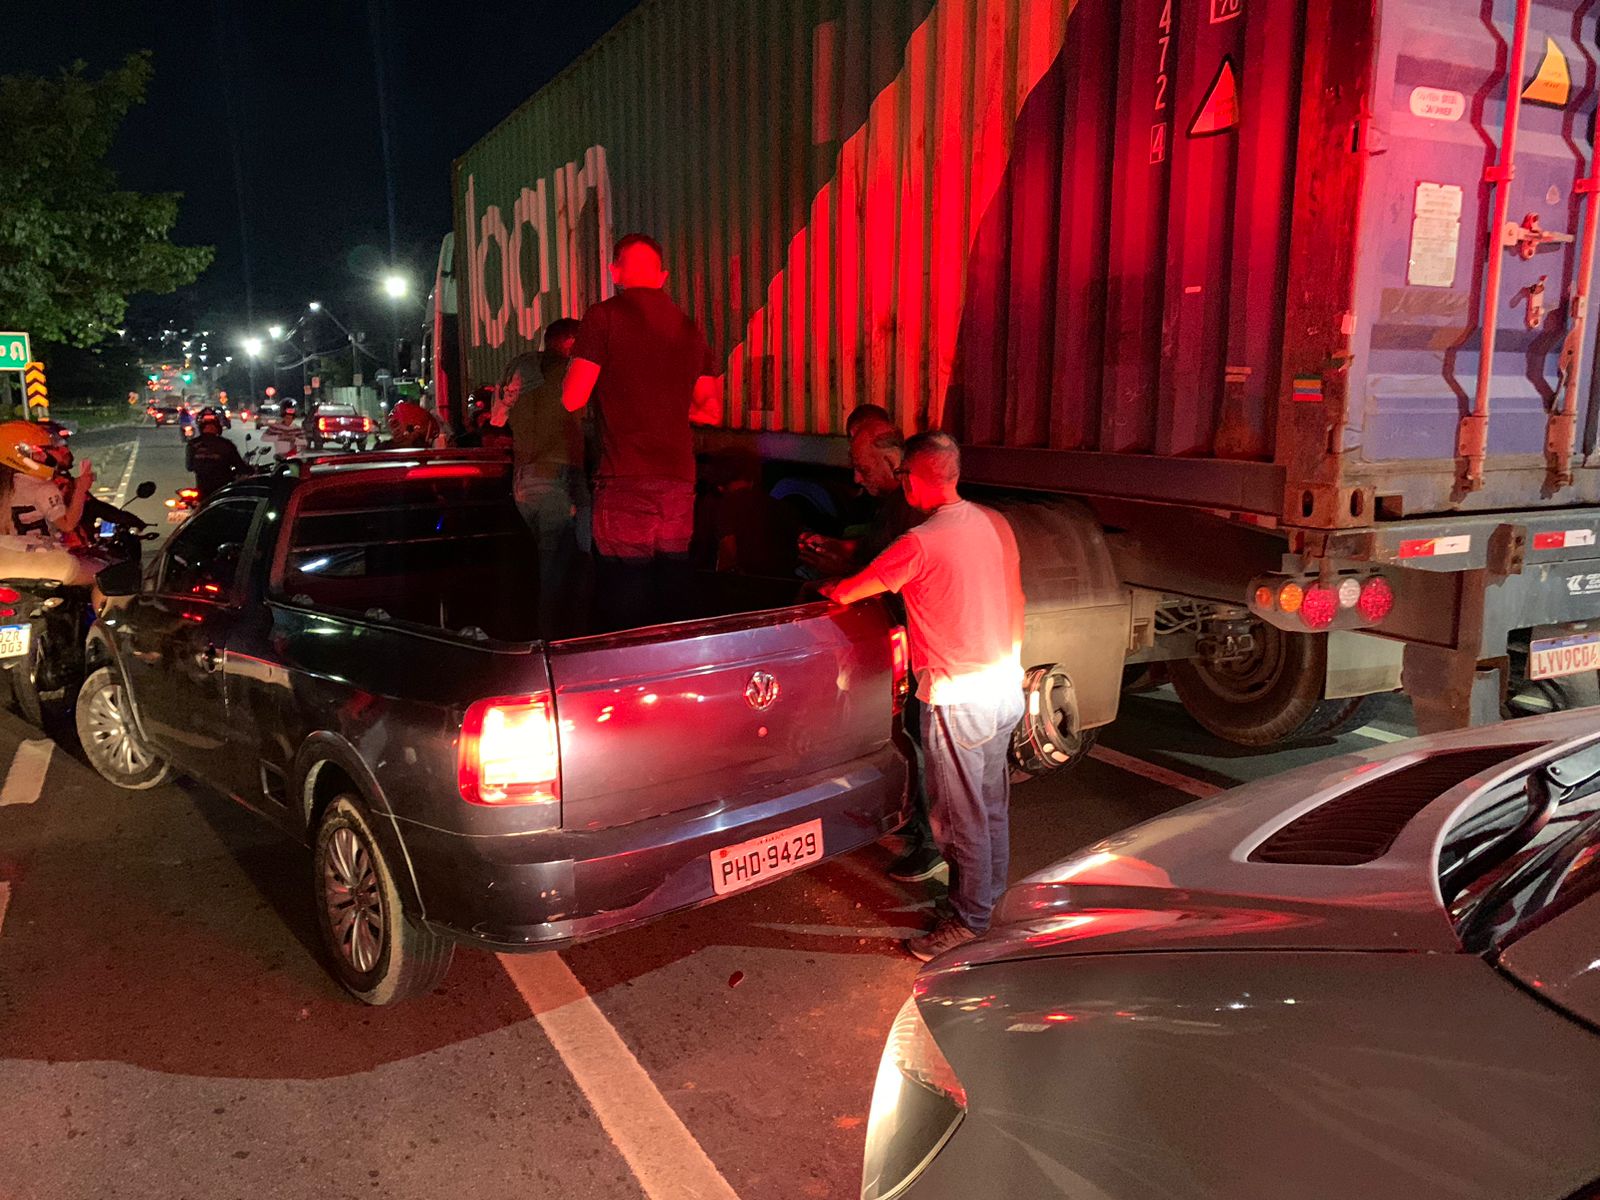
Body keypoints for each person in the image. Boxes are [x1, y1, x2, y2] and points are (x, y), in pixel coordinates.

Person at [819, 433, 1026, 961]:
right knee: (991, 808)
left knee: (961, 820)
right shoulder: (991, 523)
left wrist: (827, 587)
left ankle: (970, 920)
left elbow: (851, 590)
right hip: (1002, 687)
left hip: (958, 698)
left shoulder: (922, 542)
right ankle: (988, 903)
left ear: (916, 476)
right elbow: (1017, 596)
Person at [561, 233, 723, 630]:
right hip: (678, 484)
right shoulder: (690, 329)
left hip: (625, 481)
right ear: (663, 275)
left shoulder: (604, 317)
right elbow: (711, 410)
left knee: (625, 599)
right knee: (673, 592)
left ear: (615, 271)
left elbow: (572, 398)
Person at [502, 318, 586, 636]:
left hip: (524, 479)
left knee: (544, 565)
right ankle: (556, 643)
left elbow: (503, 415)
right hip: (556, 478)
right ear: (570, 343)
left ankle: (540, 634)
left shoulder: (523, 369)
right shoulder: (568, 374)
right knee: (562, 569)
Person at [0, 421, 94, 543]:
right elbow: (67, 525)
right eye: (40, 454)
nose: (50, 457)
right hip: (44, 556)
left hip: (12, 555)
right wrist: (81, 489)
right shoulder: (43, 488)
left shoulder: (9, 487)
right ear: (20, 455)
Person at [185, 408, 247, 499]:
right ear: (217, 427)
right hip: (223, 489)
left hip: (202, 488)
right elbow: (239, 465)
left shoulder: (192, 444)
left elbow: (189, 467)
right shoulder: (226, 444)